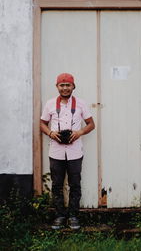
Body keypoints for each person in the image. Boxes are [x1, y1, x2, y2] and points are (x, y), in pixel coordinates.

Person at [40, 73, 95, 230]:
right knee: (57, 185)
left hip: (75, 151)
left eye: (68, 85)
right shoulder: (50, 104)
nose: (65, 88)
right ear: (57, 87)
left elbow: (91, 124)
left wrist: (79, 133)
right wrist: (51, 133)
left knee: (75, 184)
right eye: (62, 85)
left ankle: (73, 216)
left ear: (73, 86)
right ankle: (59, 216)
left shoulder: (80, 104)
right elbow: (42, 123)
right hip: (56, 151)